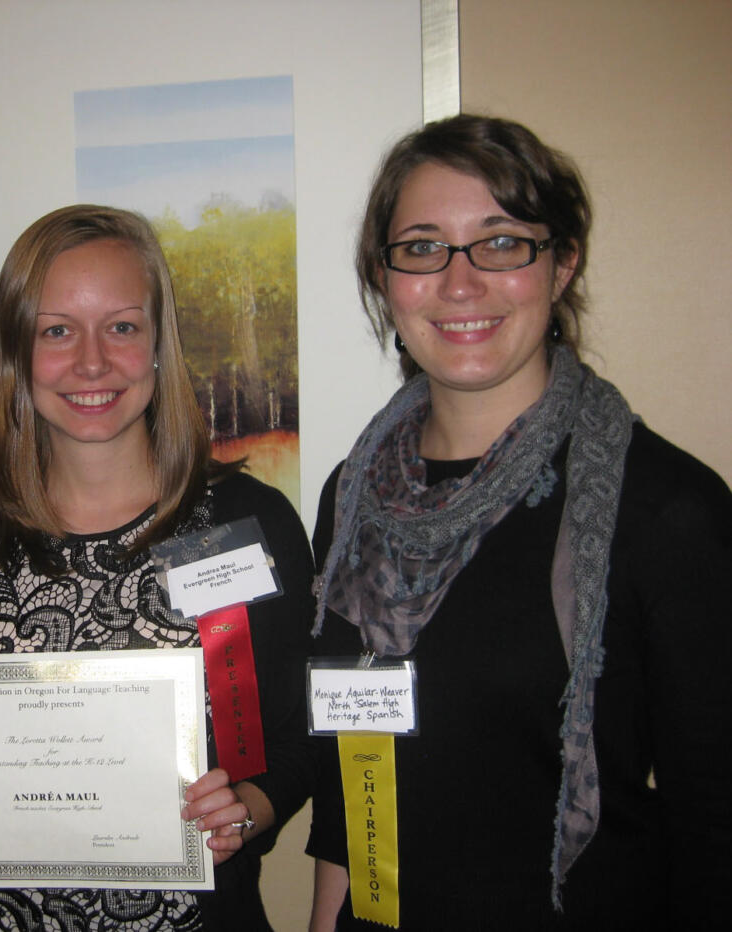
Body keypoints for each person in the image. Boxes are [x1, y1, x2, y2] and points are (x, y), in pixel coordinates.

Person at [307, 114, 732, 930]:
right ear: (385, 276)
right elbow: (354, 771)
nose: (460, 283)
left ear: (561, 262)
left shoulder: (665, 510)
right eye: (423, 246)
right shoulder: (354, 497)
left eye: (501, 243)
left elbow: (713, 819)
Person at [0, 205, 316, 931]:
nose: (91, 362)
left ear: (156, 345)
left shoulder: (245, 524)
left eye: (120, 326)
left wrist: (251, 807)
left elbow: (298, 734)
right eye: (56, 331)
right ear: (16, 351)